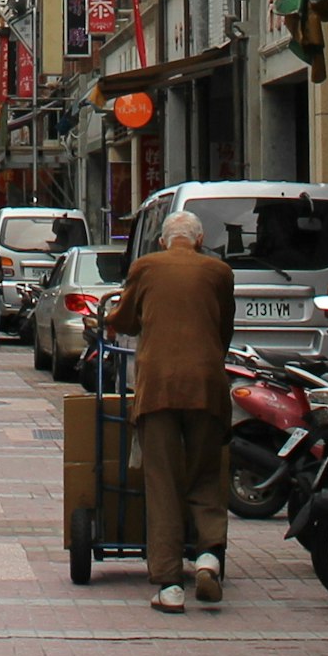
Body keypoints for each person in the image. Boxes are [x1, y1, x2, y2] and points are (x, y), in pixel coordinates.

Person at [105, 207, 235, 612]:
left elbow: (126, 321)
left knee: (162, 483)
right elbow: (223, 329)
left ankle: (168, 585)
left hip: (158, 389)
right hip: (206, 388)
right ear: (199, 241)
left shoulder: (146, 267)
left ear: (163, 241)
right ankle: (209, 558)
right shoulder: (219, 273)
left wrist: (109, 318)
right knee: (206, 474)